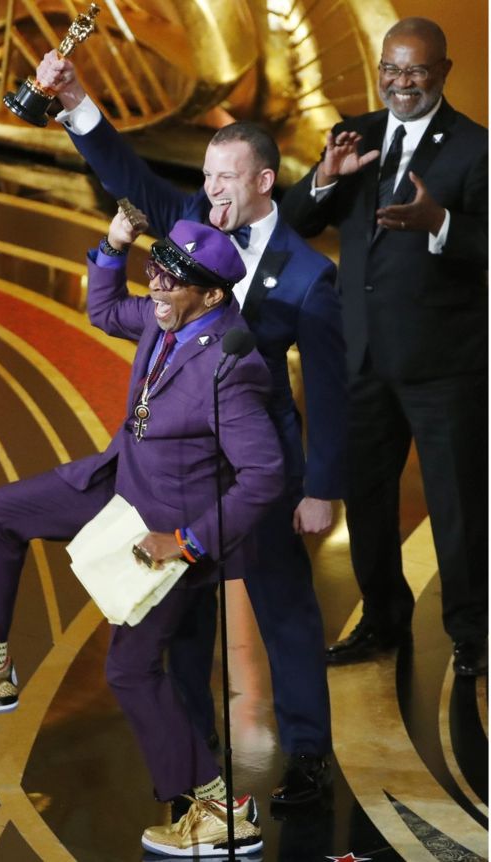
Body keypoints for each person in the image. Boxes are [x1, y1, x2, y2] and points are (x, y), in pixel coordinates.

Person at [0, 214, 285, 857]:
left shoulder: (230, 365)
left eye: (171, 279)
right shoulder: (166, 315)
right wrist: (112, 246)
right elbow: (105, 311)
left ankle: (221, 811)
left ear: (213, 295)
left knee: (130, 671)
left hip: (166, 528)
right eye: (155, 269)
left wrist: (187, 541)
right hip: (119, 484)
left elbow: (264, 474)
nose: (155, 285)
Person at [34, 51, 348, 806]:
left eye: (225, 178)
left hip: (260, 473)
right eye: (206, 177)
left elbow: (331, 389)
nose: (211, 191)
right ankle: (195, 765)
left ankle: (308, 756)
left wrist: (321, 488)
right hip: (179, 474)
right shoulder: (189, 226)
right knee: (178, 622)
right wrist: (76, 100)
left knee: (285, 611)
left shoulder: (309, 275)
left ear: (264, 182)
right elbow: (128, 177)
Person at [280, 17, 488, 675]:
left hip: (444, 366)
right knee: (367, 500)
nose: (402, 83)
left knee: (458, 509)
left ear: (443, 72)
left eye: (416, 70)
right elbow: (296, 220)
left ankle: (474, 635)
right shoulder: (355, 134)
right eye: (391, 69)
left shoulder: (476, 149)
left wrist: (440, 222)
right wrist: (324, 177)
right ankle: (383, 620)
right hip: (362, 357)